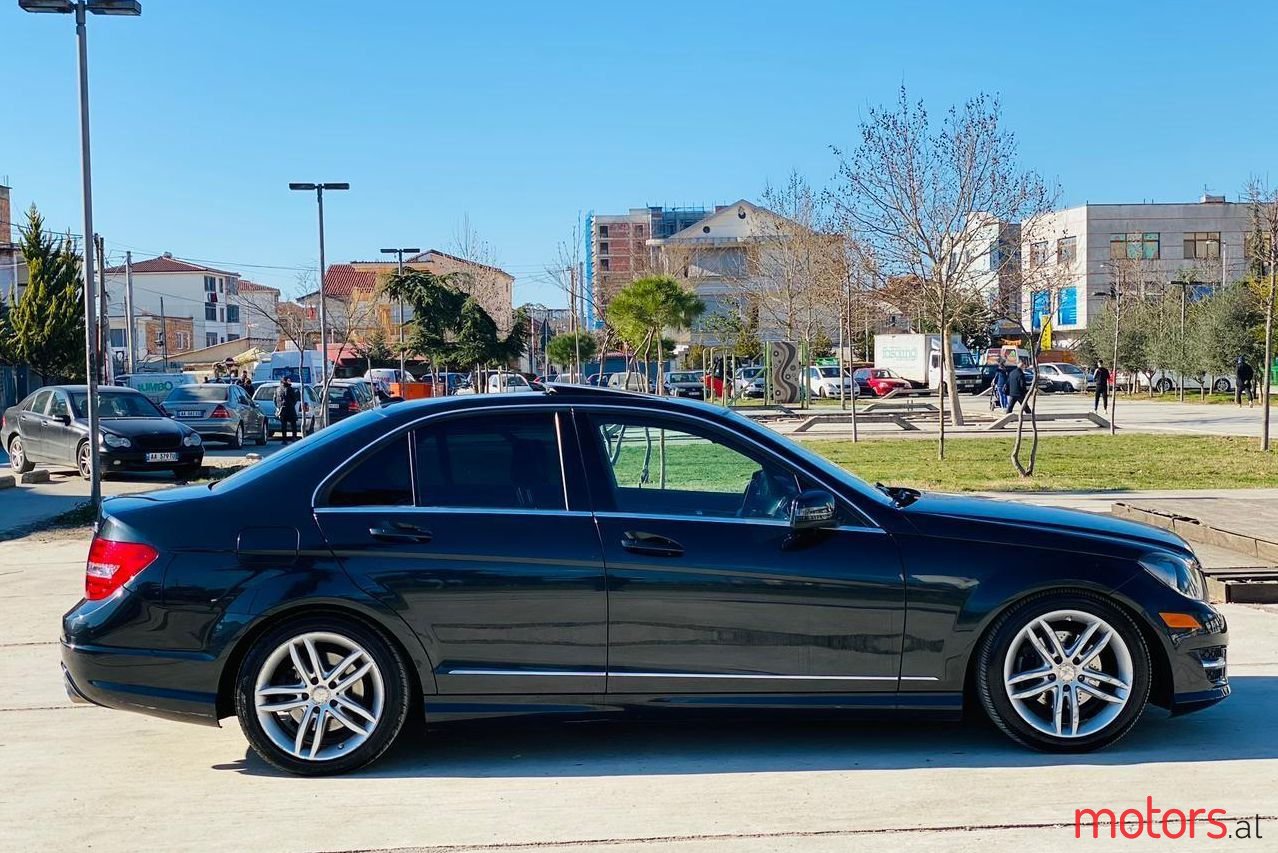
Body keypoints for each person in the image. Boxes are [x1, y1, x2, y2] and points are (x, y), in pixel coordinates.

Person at [274, 376, 300, 442]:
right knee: (293, 423)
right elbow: (294, 398)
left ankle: (284, 439)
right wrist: (292, 405)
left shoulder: (278, 389)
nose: (290, 382)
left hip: (282, 409)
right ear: (285, 381)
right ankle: (294, 437)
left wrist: (278, 407)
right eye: (288, 380)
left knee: (283, 425)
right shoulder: (289, 389)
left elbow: (274, 399)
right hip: (290, 409)